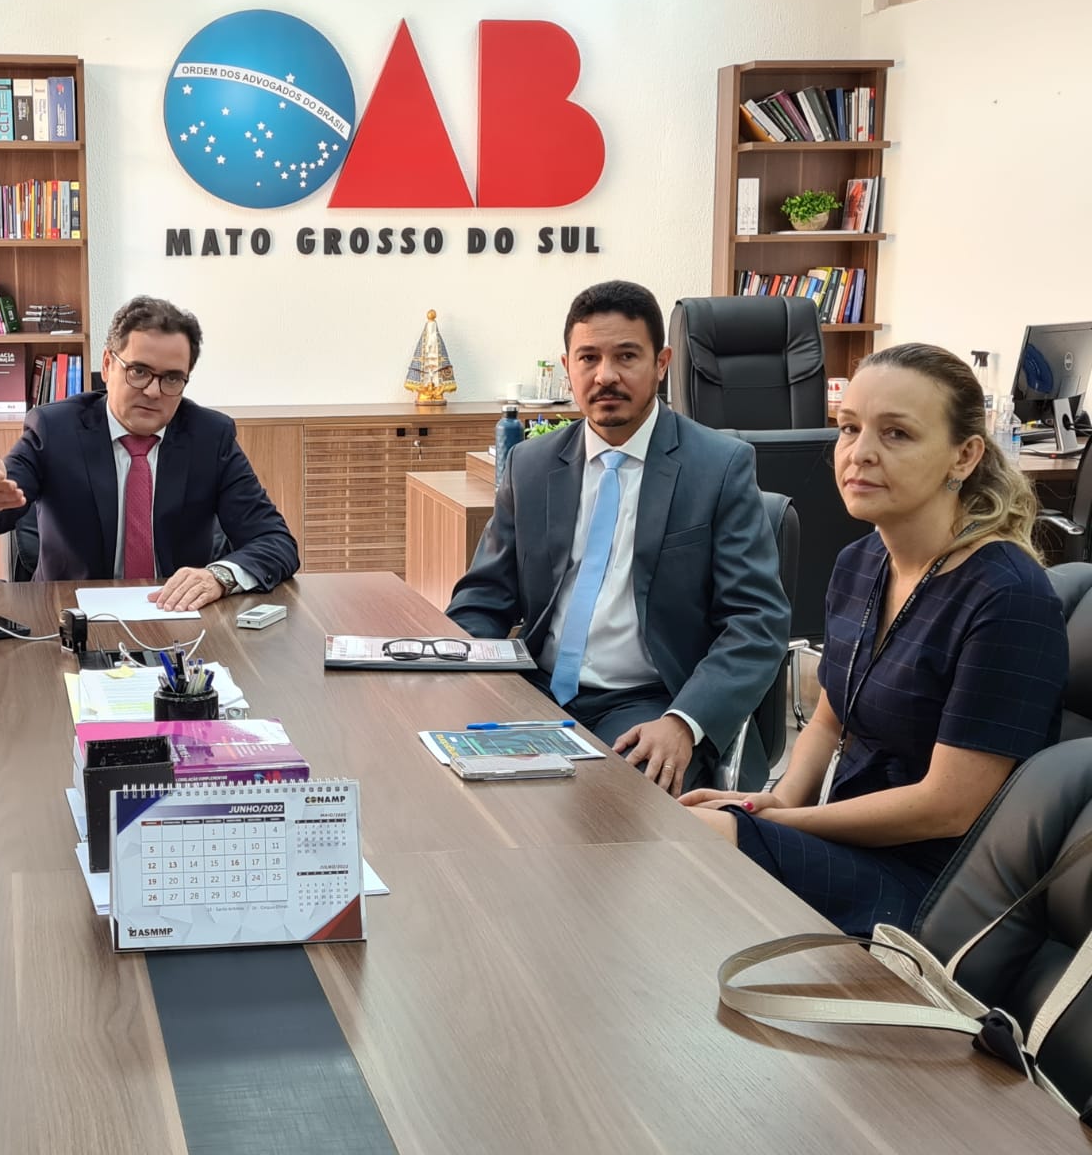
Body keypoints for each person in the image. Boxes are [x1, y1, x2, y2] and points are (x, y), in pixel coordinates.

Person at [682, 343, 1067, 937]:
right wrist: (780, 801)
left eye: (896, 434)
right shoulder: (861, 563)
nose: (859, 454)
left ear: (963, 456)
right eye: (849, 429)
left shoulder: (1007, 597)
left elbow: (949, 805)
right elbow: (828, 722)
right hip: (852, 840)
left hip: (943, 886)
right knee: (689, 824)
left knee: (704, 842)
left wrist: (790, 825)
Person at [446, 280, 790, 794]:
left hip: (649, 703)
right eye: (588, 358)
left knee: (604, 812)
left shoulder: (718, 467)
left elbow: (757, 622)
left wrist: (684, 722)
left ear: (661, 362)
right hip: (535, 688)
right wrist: (461, 679)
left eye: (626, 356)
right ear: (567, 367)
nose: (605, 376)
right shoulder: (531, 465)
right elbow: (482, 599)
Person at [0, 295, 298, 609]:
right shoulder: (54, 429)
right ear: (108, 364)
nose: (153, 391)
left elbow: (275, 541)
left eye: (172, 378)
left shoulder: (210, 436)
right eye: (139, 371)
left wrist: (218, 577)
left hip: (178, 621)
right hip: (69, 618)